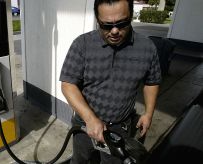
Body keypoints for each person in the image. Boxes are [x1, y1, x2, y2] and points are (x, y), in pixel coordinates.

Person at [59, 0, 161, 163]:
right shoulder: (82, 44)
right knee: (81, 160)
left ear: (131, 15)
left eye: (122, 24)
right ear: (98, 20)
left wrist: (149, 113)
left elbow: (152, 81)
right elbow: (67, 84)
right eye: (106, 25)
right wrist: (91, 119)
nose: (114, 31)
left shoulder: (147, 48)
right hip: (84, 125)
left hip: (119, 129)